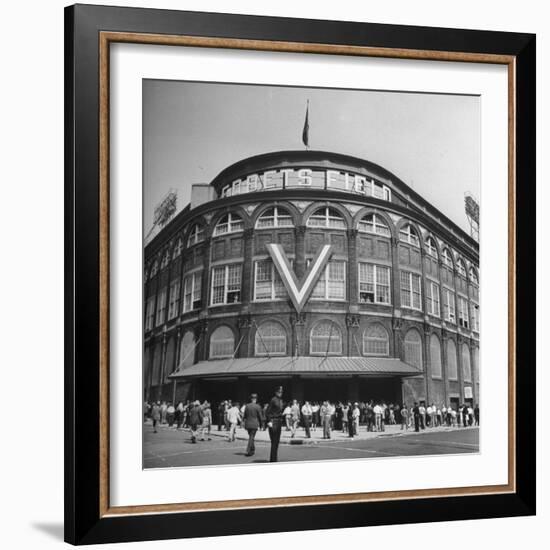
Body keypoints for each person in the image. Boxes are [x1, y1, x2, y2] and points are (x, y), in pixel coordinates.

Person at [266, 386, 284, 462]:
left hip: (279, 421)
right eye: (279, 392)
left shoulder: (281, 400)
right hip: (273, 421)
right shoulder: (273, 400)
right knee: (274, 442)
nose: (280, 393)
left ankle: (274, 459)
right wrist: (269, 421)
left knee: (276, 442)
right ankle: (273, 460)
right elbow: (267, 412)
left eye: (281, 392)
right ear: (276, 392)